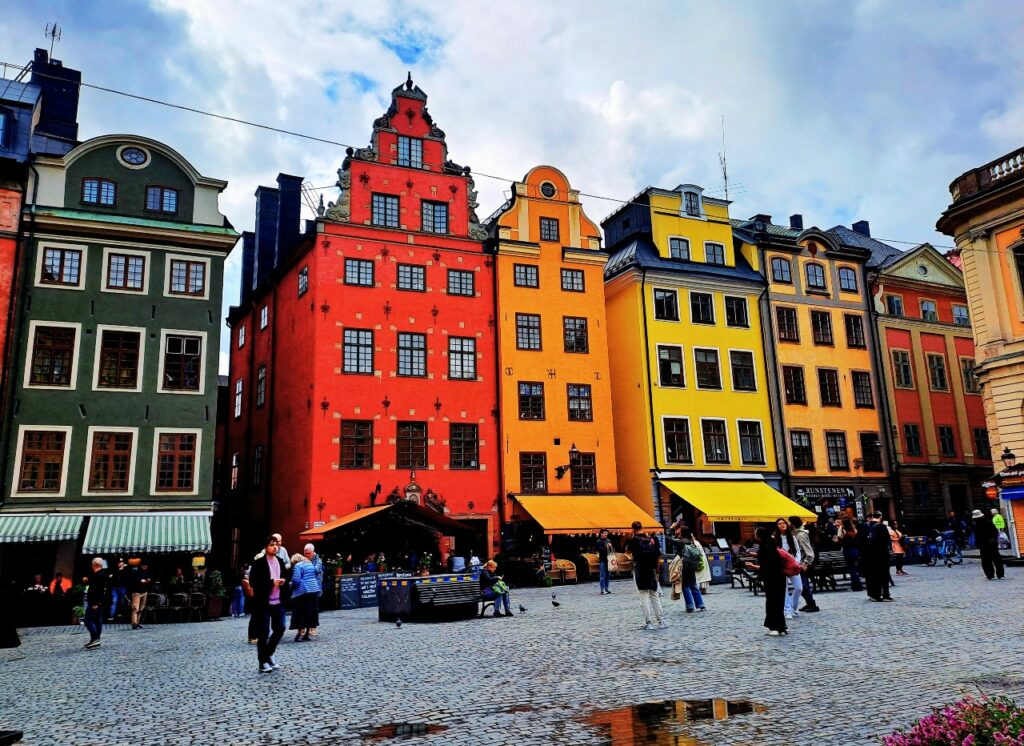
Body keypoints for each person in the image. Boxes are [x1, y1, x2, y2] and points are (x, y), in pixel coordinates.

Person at [249, 536, 289, 673]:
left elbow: (285, 576)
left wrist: (283, 581)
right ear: (266, 547)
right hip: (263, 602)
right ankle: (262, 662)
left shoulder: (281, 561)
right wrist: (272, 582)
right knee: (264, 632)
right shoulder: (259, 563)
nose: (275, 547)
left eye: (277, 544)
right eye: (272, 545)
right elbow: (254, 583)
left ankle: (268, 655)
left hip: (278, 601)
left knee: (280, 628)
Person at [746, 527, 787, 636]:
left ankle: (775, 627)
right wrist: (753, 555)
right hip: (779, 576)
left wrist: (753, 566)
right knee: (778, 602)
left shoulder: (766, 546)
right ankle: (781, 626)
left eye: (756, 533)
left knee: (772, 602)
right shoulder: (771, 543)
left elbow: (766, 564)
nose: (754, 534)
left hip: (772, 577)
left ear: (760, 535)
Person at [627, 520, 666, 630]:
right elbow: (658, 556)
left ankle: (648, 622)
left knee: (643, 597)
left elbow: (628, 552)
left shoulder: (633, 541)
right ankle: (661, 621)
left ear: (633, 529)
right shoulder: (650, 540)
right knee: (655, 596)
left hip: (640, 570)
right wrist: (657, 572)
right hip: (651, 570)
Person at [774, 518, 803, 620]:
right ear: (776, 526)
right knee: (784, 589)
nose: (782, 525)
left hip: (792, 565)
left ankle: (794, 607)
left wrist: (796, 562)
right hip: (780, 566)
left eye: (783, 523)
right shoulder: (775, 538)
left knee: (799, 587)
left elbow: (798, 551)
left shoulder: (792, 537)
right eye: (779, 523)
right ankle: (787, 610)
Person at [789, 516, 820, 613]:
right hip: (799, 563)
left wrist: (806, 564)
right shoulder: (795, 534)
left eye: (789, 522)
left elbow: (809, 552)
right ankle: (810, 603)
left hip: (802, 563)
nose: (787, 524)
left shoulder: (801, 535)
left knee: (802, 585)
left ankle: (812, 604)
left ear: (793, 524)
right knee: (802, 584)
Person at [674, 528, 706, 613]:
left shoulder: (681, 542)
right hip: (692, 566)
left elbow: (670, 539)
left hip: (684, 566)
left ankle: (690, 605)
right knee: (693, 584)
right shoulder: (691, 541)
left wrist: (671, 530)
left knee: (685, 586)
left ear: (682, 533)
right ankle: (700, 604)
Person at [864, 512, 893, 601]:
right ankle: (885, 594)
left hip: (869, 555)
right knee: (884, 574)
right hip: (882, 554)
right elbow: (887, 541)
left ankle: (874, 595)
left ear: (872, 517)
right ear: (880, 517)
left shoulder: (864, 526)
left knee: (873, 576)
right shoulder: (882, 526)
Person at [289, 553, 317, 642]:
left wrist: (290, 585)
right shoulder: (310, 564)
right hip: (313, 590)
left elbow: (296, 580)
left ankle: (299, 634)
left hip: (303, 591)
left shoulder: (298, 565)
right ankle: (307, 634)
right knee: (310, 612)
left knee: (300, 613)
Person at [83, 558, 109, 650]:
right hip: (97, 601)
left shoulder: (99, 575)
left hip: (95, 602)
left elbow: (98, 590)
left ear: (94, 564)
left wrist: (95, 603)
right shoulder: (99, 575)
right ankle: (95, 639)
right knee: (97, 621)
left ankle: (95, 638)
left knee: (88, 620)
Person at [973, 508, 1005, 580]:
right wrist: (994, 539)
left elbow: (977, 536)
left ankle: (989, 574)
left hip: (983, 544)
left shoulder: (975, 525)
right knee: (996, 559)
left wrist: (978, 544)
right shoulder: (988, 522)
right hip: (992, 543)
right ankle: (1000, 573)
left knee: (986, 560)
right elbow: (995, 531)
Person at [303, 544, 323, 637]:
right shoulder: (304, 559)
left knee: (314, 608)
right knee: (305, 608)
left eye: (308, 553)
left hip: (315, 588)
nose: (307, 555)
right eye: (305, 554)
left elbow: (314, 570)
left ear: (313, 552)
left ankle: (313, 627)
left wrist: (306, 565)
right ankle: (304, 627)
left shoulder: (318, 561)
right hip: (305, 588)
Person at [125, 559, 151, 630]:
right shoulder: (135, 573)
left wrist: (148, 580)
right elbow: (131, 582)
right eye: (144, 566)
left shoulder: (146, 572)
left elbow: (149, 579)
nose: (145, 567)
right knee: (135, 609)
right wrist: (139, 581)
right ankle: (134, 623)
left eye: (146, 566)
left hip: (144, 592)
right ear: (141, 566)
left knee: (141, 609)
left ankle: (137, 622)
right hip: (137, 592)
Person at [840, 519, 864, 591]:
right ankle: (854, 585)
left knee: (852, 570)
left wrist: (838, 541)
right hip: (855, 551)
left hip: (849, 552)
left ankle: (857, 586)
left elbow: (845, 544)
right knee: (853, 569)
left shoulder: (847, 534)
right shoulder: (854, 532)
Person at [596, 529, 614, 595]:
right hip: (602, 560)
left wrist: (611, 547)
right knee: (602, 575)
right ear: (601, 534)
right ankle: (602, 590)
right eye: (604, 533)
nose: (605, 534)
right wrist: (607, 546)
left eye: (606, 533)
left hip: (609, 560)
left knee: (608, 575)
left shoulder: (608, 540)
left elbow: (612, 550)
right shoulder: (599, 541)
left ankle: (607, 588)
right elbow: (600, 550)